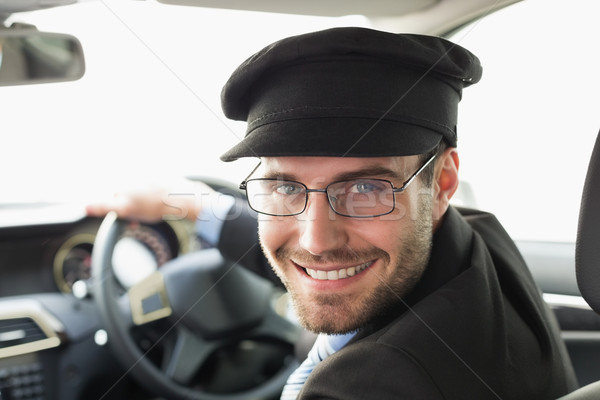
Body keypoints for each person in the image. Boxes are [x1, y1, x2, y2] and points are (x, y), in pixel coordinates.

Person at [88, 27, 578, 399]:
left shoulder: (372, 386)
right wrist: (187, 205)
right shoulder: (475, 239)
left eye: (364, 189)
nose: (316, 240)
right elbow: (337, 252)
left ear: (443, 181)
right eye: (283, 185)